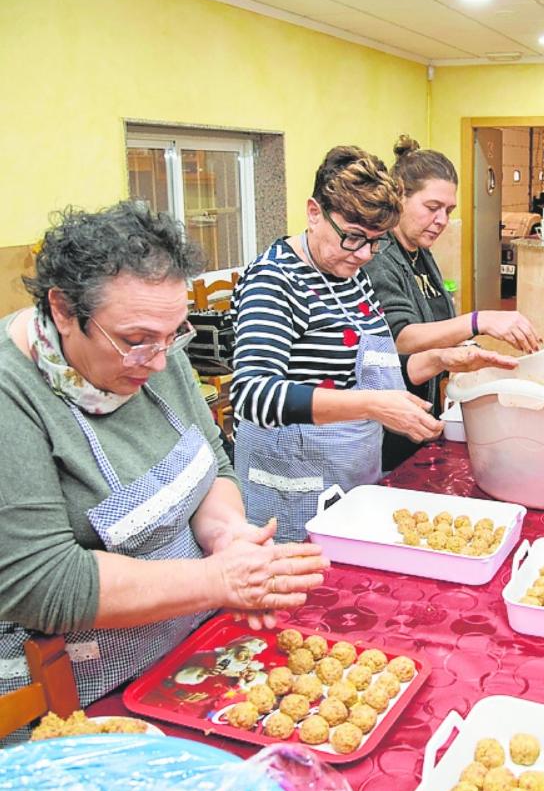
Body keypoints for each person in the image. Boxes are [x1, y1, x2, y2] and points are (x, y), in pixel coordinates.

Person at [0, 201, 328, 742]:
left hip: (188, 658)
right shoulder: (15, 394)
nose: (157, 361)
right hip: (81, 698)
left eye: (172, 335)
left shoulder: (156, 345)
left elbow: (213, 465)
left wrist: (226, 535)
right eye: (135, 341)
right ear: (62, 309)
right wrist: (215, 581)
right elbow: (45, 584)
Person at [231, 145, 516, 541]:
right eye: (353, 237)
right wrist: (371, 405)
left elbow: (368, 370)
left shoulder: (350, 270)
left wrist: (437, 358)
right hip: (293, 495)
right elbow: (252, 394)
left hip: (352, 477)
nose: (365, 254)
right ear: (314, 213)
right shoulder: (274, 280)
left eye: (376, 241)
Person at [365, 135, 542, 470]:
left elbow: (438, 327)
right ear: (399, 196)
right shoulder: (379, 256)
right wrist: (478, 320)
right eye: (432, 208)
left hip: (418, 425)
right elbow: (398, 338)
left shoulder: (419, 253)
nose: (442, 220)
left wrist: (470, 351)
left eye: (448, 211)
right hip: (384, 436)